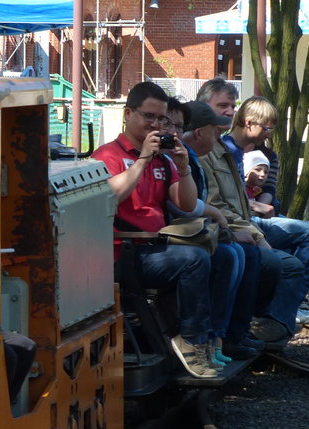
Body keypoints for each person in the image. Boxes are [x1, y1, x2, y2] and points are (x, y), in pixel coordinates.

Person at [92, 81, 226, 378]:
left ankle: (203, 337)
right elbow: (108, 200)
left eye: (162, 120)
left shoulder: (163, 159)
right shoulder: (107, 156)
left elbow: (187, 204)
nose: (156, 125)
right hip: (121, 255)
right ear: (129, 114)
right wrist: (141, 160)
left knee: (222, 256)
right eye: (148, 117)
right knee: (193, 260)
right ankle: (190, 339)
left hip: (154, 249)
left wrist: (183, 166)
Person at [196, 79, 309, 329]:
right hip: (228, 228)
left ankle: (278, 319)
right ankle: (263, 323)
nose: (230, 111)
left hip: (244, 222)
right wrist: (257, 233)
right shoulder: (213, 150)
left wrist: (260, 209)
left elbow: (265, 192)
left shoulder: (244, 151)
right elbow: (218, 204)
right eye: (223, 105)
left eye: (232, 106)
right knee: (281, 261)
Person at [173, 100, 264, 361]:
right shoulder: (186, 160)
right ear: (200, 132)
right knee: (231, 254)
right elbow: (191, 206)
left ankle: (227, 336)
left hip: (205, 228)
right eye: (216, 131)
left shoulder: (194, 160)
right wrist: (226, 226)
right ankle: (214, 338)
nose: (219, 138)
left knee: (242, 252)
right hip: (185, 233)